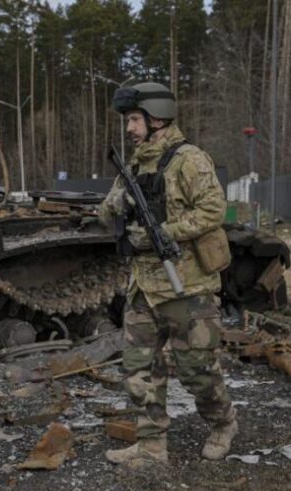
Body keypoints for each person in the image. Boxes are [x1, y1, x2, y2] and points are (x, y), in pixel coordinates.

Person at [98, 81, 237, 466]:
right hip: (143, 286)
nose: (129, 128)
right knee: (139, 369)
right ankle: (151, 446)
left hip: (187, 284)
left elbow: (213, 210)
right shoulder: (133, 165)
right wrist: (117, 201)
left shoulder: (189, 160)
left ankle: (223, 424)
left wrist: (164, 232)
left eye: (134, 119)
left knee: (197, 370)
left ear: (157, 117)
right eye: (128, 120)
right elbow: (104, 212)